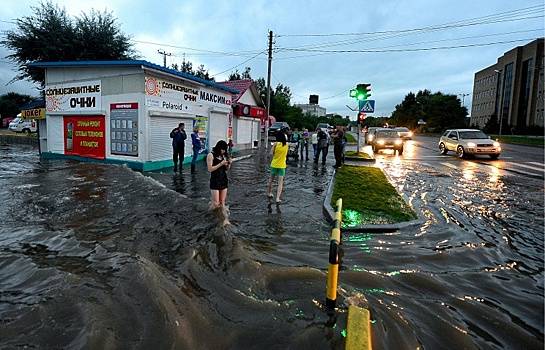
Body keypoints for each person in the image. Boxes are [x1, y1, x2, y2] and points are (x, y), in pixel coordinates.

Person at [207, 140, 231, 209]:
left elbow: (226, 169)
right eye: (223, 149)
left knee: (222, 202)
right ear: (219, 148)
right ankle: (211, 214)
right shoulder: (211, 155)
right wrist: (221, 164)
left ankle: (223, 218)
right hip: (215, 181)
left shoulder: (223, 156)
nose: (224, 151)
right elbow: (210, 169)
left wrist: (229, 164)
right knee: (216, 204)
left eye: (225, 150)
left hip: (223, 179)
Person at [267, 130, 288, 204]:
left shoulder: (275, 144)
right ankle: (277, 198)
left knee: (271, 180)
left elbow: (270, 153)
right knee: (280, 183)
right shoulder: (286, 144)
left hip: (274, 165)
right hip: (282, 166)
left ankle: (269, 193)